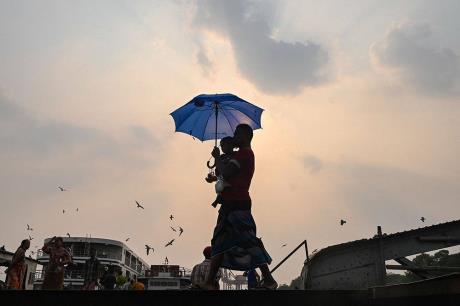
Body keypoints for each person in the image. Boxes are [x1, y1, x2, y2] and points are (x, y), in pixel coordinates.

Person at [202, 124, 278, 290]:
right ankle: (208, 282)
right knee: (220, 242)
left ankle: (269, 279)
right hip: (229, 204)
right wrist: (215, 176)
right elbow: (225, 175)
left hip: (238, 204)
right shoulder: (239, 154)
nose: (234, 137)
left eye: (237, 134)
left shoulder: (245, 154)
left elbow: (226, 173)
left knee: (249, 241)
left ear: (244, 135)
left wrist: (216, 159)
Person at [205, 137, 236, 208]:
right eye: (221, 145)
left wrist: (217, 157)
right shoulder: (222, 157)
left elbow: (227, 173)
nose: (222, 147)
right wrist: (213, 179)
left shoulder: (235, 156)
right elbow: (221, 175)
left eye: (223, 145)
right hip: (224, 194)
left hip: (232, 192)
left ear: (231, 145)